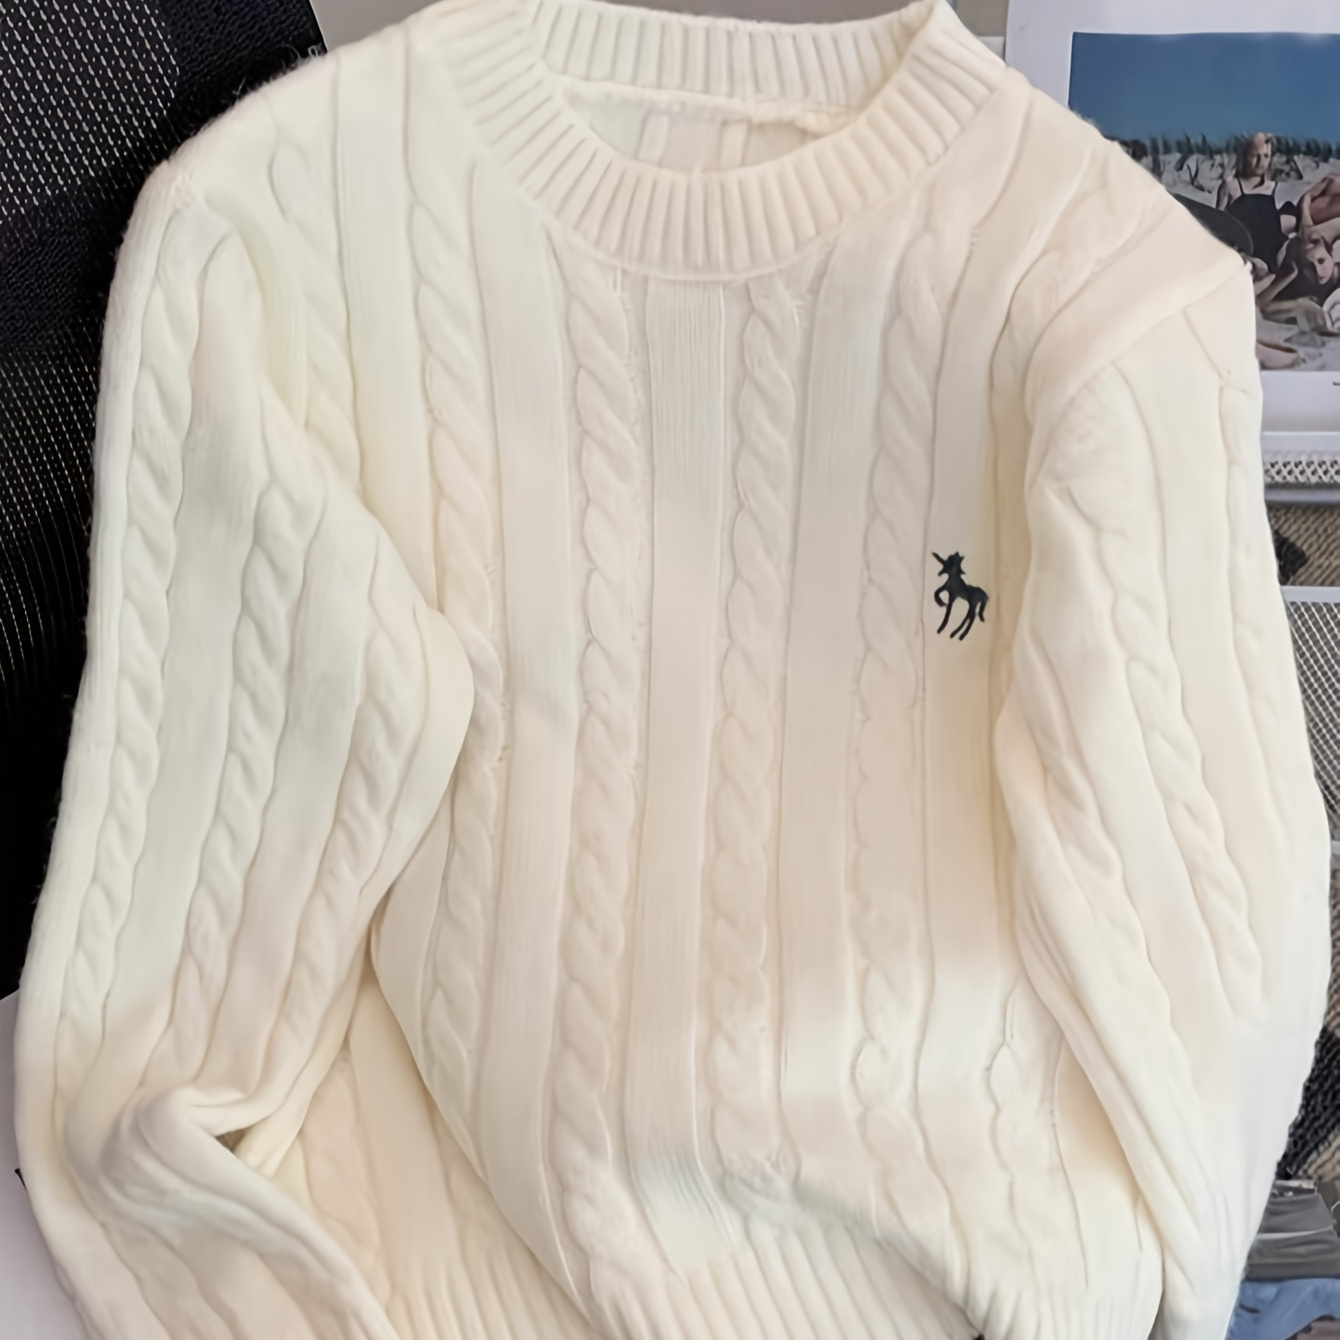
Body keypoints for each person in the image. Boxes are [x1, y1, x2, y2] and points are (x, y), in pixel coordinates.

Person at [1219, 133, 1287, 268]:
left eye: (1266, 156)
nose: (1261, 162)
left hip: (1272, 260)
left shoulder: (1274, 188)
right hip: (1243, 258)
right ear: (1245, 156)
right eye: (1255, 156)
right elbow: (1217, 223)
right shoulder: (1231, 186)